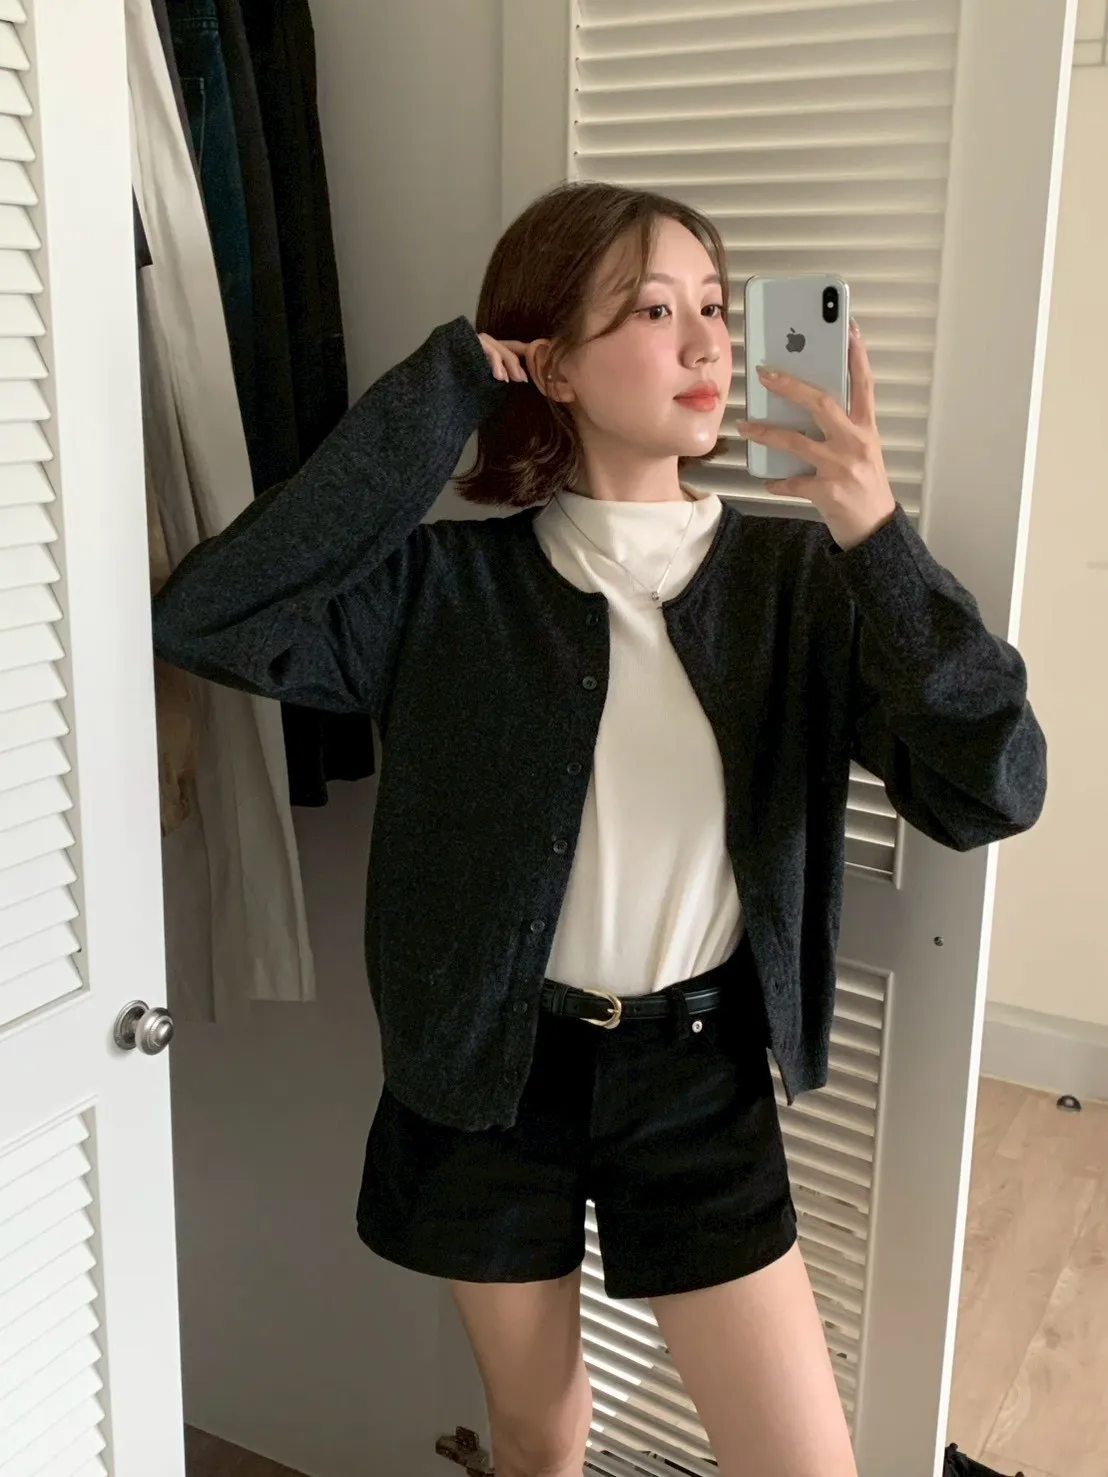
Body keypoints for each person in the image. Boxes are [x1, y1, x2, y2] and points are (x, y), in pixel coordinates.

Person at [153, 182, 1047, 1477]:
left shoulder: (798, 586)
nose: (705, 345)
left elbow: (994, 787)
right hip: (486, 1076)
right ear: (554, 365)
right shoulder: (446, 590)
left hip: (695, 1077)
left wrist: (877, 538)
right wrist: (446, 391)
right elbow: (213, 613)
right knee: (539, 1434)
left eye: (715, 309)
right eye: (651, 309)